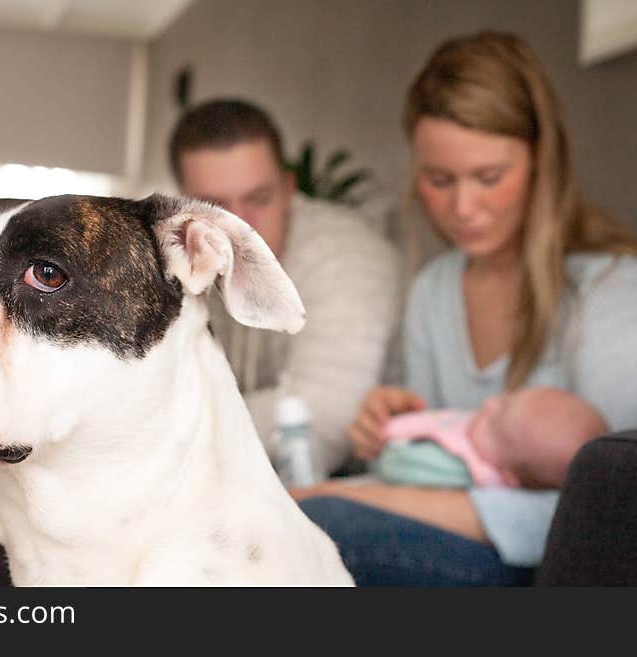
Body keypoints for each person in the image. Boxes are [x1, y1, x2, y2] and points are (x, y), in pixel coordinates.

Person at [294, 30, 637, 586]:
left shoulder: (612, 291)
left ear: (541, 161)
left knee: (324, 524)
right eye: (439, 179)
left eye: (489, 178)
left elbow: (614, 518)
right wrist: (390, 434)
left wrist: (346, 494)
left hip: (555, 568)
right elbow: (431, 473)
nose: (464, 208)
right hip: (454, 542)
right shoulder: (434, 291)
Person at [168, 98, 401, 476]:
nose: (239, 226)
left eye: (259, 198)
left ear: (289, 188)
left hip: (354, 485)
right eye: (214, 205)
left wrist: (169, 427)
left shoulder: (347, 255)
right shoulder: (175, 252)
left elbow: (323, 419)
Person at [376, 387, 609, 489]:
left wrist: (388, 445)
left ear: (506, 476)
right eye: (505, 400)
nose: (489, 404)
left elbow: (395, 466)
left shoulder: (467, 470)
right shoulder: (486, 441)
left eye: (494, 423)